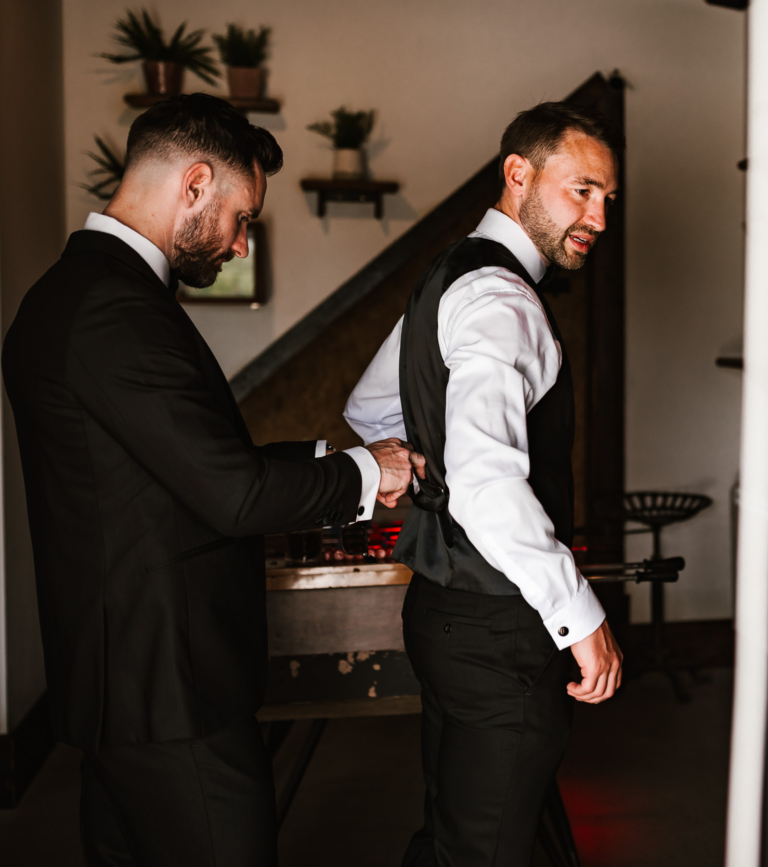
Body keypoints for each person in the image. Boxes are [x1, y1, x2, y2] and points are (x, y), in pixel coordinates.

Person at [1, 94, 413, 866]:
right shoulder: (112, 309)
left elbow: (180, 468)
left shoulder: (77, 294)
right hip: (170, 691)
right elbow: (232, 494)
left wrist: (337, 456)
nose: (239, 243)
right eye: (241, 215)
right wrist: (366, 472)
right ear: (194, 184)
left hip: (123, 680)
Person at [343, 101, 625, 867]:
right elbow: (488, 482)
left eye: (608, 198)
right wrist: (579, 612)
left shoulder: (450, 273)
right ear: (518, 174)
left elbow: (369, 405)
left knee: (463, 833)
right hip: (498, 631)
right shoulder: (504, 300)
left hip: (439, 610)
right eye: (582, 191)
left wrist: (420, 462)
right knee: (486, 848)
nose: (598, 215)